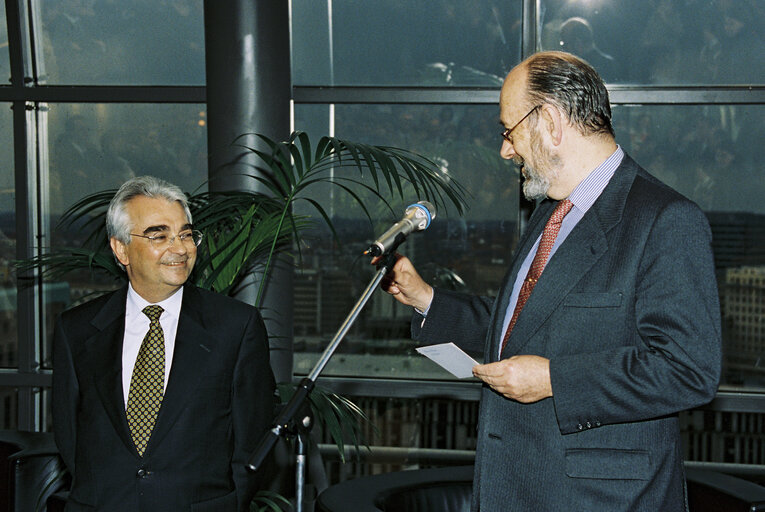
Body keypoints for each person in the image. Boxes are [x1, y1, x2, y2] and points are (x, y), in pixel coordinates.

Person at [382, 51, 721, 511]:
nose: (505, 149)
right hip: (513, 490)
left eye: (509, 129)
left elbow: (688, 370)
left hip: (602, 501)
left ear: (551, 122)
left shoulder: (665, 219)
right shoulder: (548, 213)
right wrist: (426, 300)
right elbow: (523, 328)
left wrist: (555, 379)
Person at [52, 176, 276, 512]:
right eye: (160, 235)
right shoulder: (78, 329)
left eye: (185, 234)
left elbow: (254, 444)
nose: (181, 248)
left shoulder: (235, 327)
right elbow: (71, 439)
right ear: (121, 248)